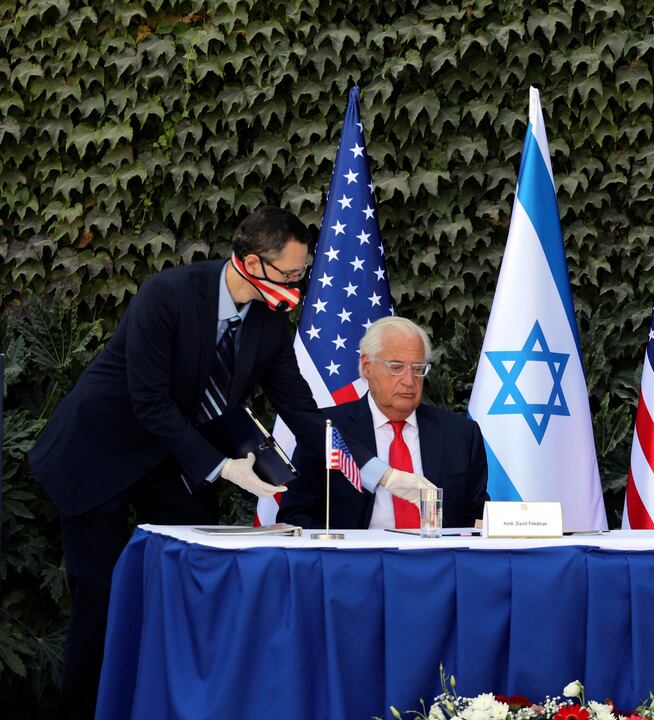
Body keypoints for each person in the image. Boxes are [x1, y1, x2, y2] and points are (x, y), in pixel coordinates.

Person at [28, 207, 434, 719]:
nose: (295, 286)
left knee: (197, 577)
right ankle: (85, 710)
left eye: (301, 275)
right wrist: (224, 467)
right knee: (103, 597)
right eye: (288, 275)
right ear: (248, 263)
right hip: (99, 453)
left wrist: (380, 473)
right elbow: (151, 403)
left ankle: (178, 705)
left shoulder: (270, 322)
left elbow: (305, 413)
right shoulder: (168, 295)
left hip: (171, 461)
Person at [278, 317, 488, 530]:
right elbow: (294, 516)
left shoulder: (460, 434)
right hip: (358, 560)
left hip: (438, 559)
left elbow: (478, 517)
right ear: (367, 367)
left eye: (418, 369)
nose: (409, 381)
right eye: (396, 367)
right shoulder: (327, 430)